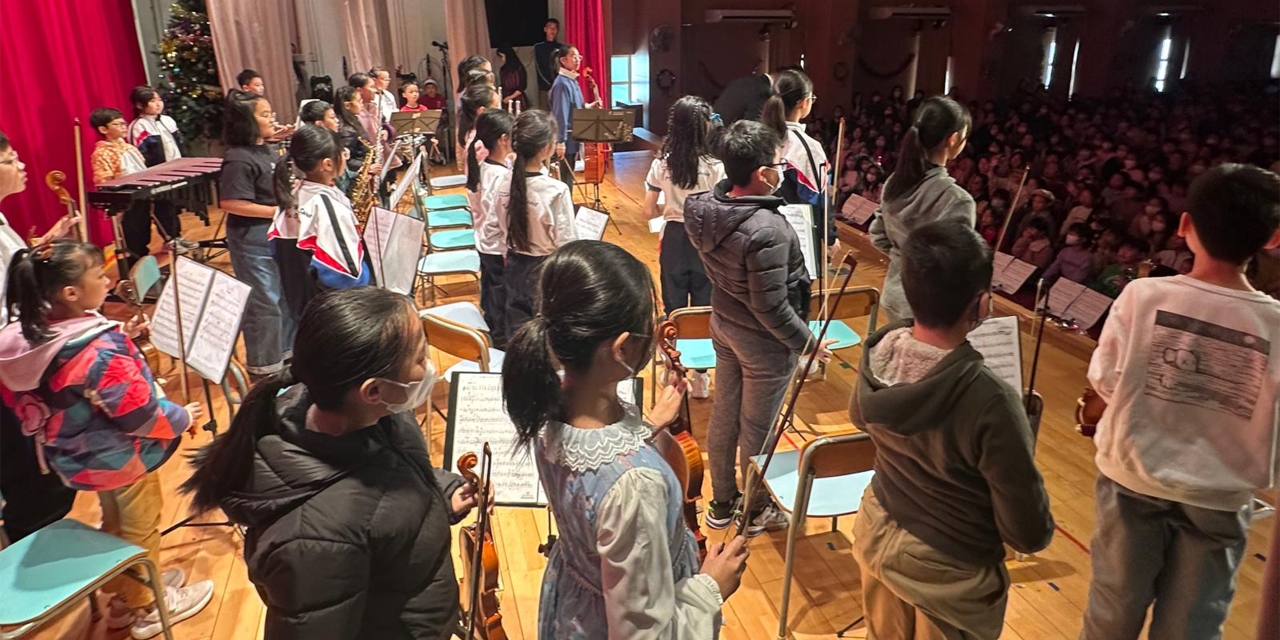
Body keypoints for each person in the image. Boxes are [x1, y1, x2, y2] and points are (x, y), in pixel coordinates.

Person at [181, 287, 482, 639]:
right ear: (373, 390)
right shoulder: (311, 540)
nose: (430, 366)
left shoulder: (380, 413)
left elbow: (392, 482)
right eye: (420, 355)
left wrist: (444, 493)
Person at [501, 240, 750, 638]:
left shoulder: (544, 405)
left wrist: (648, 425)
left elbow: (593, 484)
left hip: (577, 601)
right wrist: (710, 588)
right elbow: (644, 633)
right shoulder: (636, 488)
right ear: (622, 348)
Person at [1080, 163, 1280, 640]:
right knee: (1193, 625)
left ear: (1185, 224)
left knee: (1112, 611)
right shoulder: (1275, 323)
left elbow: (1105, 380)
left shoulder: (1142, 295)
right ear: (1273, 238)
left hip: (1132, 479)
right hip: (1220, 497)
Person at [0, 240, 214, 639]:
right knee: (141, 525)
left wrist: (120, 338)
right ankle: (145, 607)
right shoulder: (99, 349)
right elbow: (141, 416)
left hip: (77, 458)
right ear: (70, 292)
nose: (108, 280)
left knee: (114, 522)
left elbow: (73, 381)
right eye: (99, 275)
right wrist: (183, 417)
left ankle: (124, 591)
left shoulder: (28, 337)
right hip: (121, 460)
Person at [850, 220, 1053, 639]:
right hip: (947, 573)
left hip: (876, 528)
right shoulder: (990, 398)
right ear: (981, 305)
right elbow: (1027, 533)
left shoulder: (880, 350)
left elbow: (859, 416)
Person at [684, 120, 834, 536]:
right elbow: (771, 307)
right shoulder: (766, 229)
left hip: (725, 323)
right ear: (762, 174)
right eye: (777, 165)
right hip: (762, 341)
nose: (781, 172)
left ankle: (722, 502)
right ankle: (755, 510)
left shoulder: (702, 207)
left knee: (724, 414)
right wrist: (808, 343)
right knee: (758, 428)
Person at [0, 130, 82, 543]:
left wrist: (46, 244)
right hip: (11, 376)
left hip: (16, 364)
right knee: (37, 484)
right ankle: (33, 565)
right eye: (10, 160)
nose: (22, 166)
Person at [644, 96, 724, 398]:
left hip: (674, 237)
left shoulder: (661, 164)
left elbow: (648, 211)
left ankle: (673, 371)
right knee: (704, 306)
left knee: (673, 307)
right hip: (706, 239)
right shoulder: (716, 167)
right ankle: (701, 377)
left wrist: (667, 212)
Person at [869, 96, 975, 321]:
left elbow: (877, 234)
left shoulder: (894, 182)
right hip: (930, 310)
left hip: (895, 293)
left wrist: (903, 259)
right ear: (953, 139)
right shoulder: (957, 200)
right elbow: (956, 269)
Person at [219, 89, 295, 379]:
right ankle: (264, 370)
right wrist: (278, 211)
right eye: (264, 115)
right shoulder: (238, 158)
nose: (272, 118)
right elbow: (231, 203)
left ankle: (285, 356)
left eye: (270, 112)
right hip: (252, 240)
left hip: (274, 235)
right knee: (265, 304)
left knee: (284, 297)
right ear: (246, 122)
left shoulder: (266, 149)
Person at [268, 124, 369, 326]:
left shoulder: (291, 196)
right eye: (342, 152)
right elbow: (347, 276)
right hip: (335, 316)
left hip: (302, 309)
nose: (346, 155)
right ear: (328, 164)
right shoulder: (328, 208)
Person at [496, 109, 577, 331]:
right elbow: (566, 242)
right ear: (545, 148)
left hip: (513, 264)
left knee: (518, 330)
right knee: (546, 330)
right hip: (545, 269)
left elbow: (500, 225)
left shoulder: (502, 182)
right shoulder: (556, 190)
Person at [762, 68, 837, 267]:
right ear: (803, 102)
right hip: (793, 239)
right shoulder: (807, 147)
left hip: (756, 231)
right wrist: (830, 236)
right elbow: (817, 198)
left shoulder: (757, 136)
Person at [468, 109, 516, 347]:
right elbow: (499, 216)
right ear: (503, 139)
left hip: (484, 240)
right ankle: (500, 339)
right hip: (496, 244)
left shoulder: (485, 166)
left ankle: (492, 327)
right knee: (499, 292)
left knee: (490, 288)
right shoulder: (499, 175)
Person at [126, 86, 192, 256]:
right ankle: (169, 239)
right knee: (163, 207)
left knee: (173, 206)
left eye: (159, 100)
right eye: (152, 101)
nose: (158, 104)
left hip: (177, 169)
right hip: (157, 174)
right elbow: (140, 155)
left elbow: (178, 144)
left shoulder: (168, 120)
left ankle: (177, 236)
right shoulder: (138, 126)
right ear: (139, 105)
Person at [549, 44, 598, 187]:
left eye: (579, 57)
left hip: (574, 136)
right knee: (566, 179)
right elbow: (560, 113)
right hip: (567, 138)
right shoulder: (561, 84)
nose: (578, 60)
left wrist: (590, 105)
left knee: (569, 177)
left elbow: (575, 107)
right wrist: (560, 141)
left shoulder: (571, 80)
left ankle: (568, 200)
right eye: (574, 57)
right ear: (563, 60)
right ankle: (567, 201)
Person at [90, 107, 148, 186]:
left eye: (124, 123)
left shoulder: (130, 147)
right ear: (103, 129)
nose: (123, 127)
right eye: (117, 124)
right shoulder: (101, 153)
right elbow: (103, 181)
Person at [532, 18, 561, 108]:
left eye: (555, 28)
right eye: (550, 27)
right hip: (544, 88)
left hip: (559, 86)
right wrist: (549, 86)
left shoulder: (561, 48)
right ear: (545, 29)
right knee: (544, 112)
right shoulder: (538, 47)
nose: (552, 30)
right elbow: (539, 68)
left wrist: (557, 84)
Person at [497, 46, 528, 112]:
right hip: (506, 98)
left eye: (502, 56)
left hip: (518, 99)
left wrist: (510, 97)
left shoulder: (519, 68)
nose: (502, 59)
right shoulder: (503, 69)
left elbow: (522, 86)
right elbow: (503, 84)